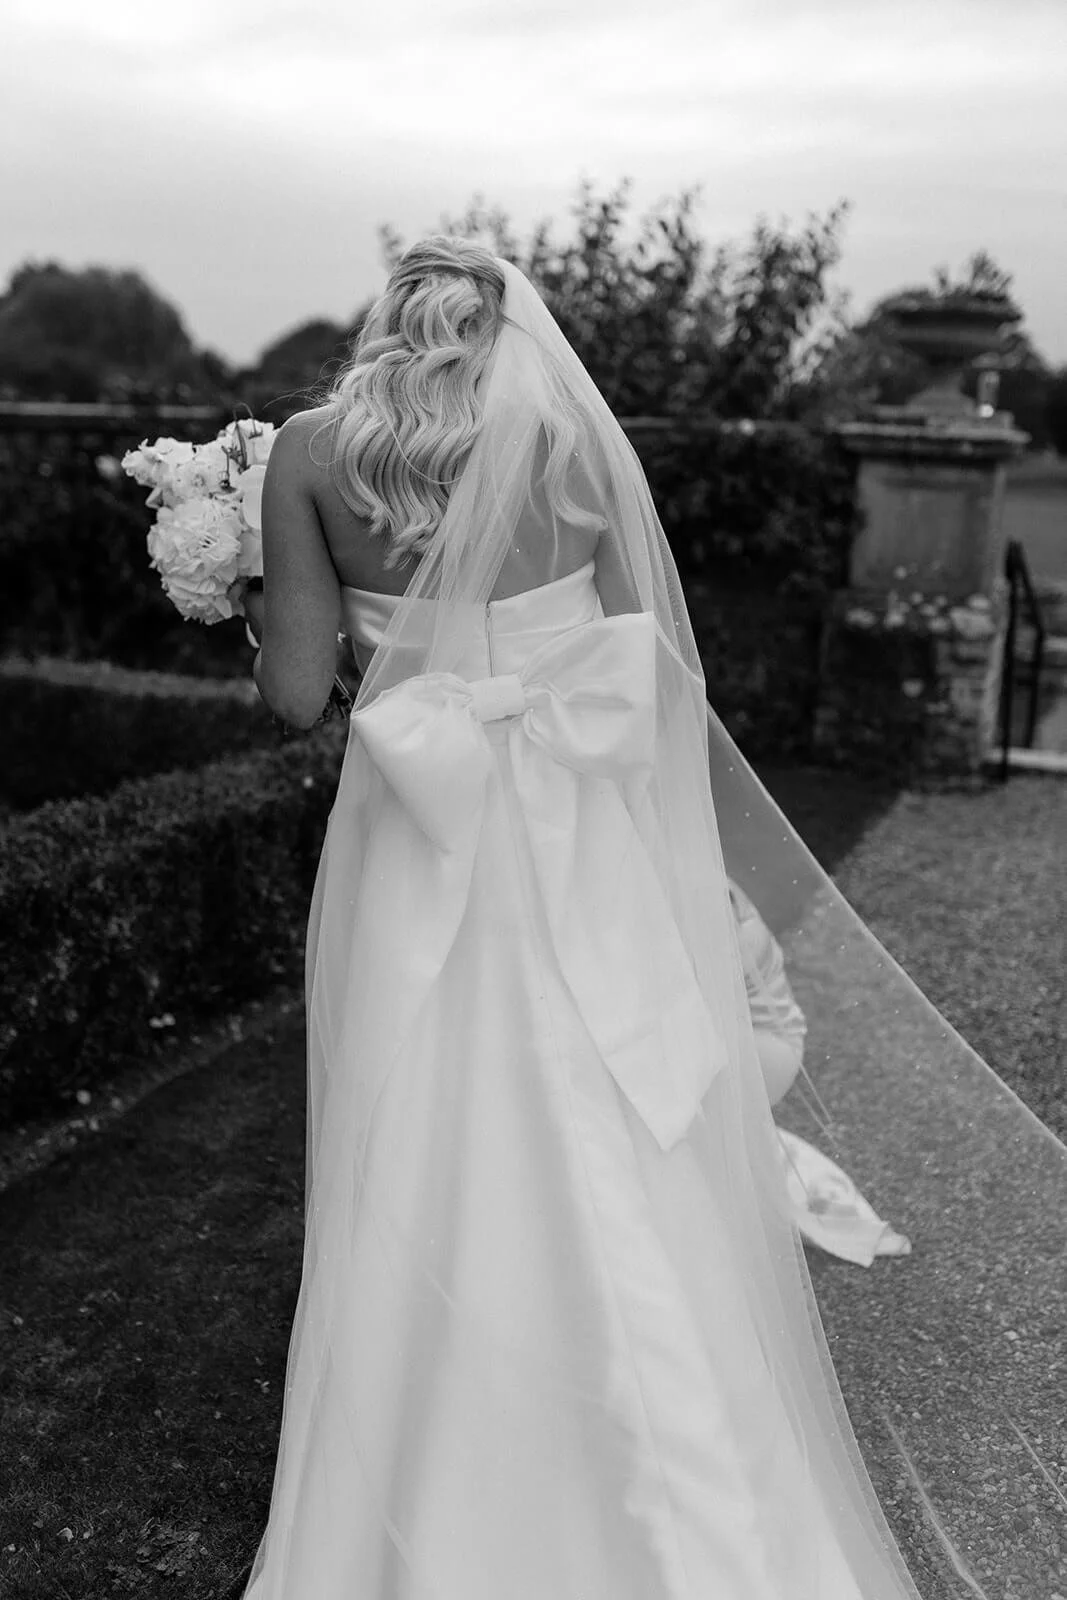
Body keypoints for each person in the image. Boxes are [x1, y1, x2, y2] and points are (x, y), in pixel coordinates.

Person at [236, 236, 1022, 1598]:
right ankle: (668, 1460)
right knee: (604, 1095)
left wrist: (255, 604)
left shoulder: (309, 454)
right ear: (508, 329)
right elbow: (645, 667)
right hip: (574, 824)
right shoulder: (564, 444)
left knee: (416, 1099)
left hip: (417, 829)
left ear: (387, 324)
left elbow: (299, 696)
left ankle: (432, 1443)